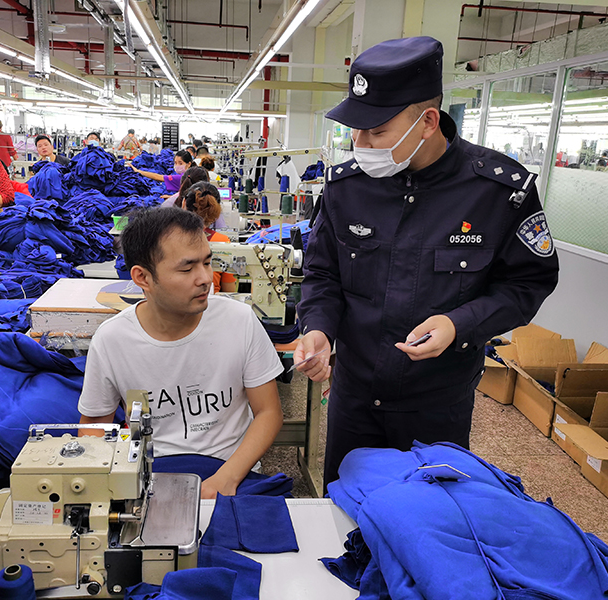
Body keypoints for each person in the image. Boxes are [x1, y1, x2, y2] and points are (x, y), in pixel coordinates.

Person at [294, 37, 560, 489]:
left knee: (431, 523)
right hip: (354, 398)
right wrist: (317, 328)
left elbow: (528, 283)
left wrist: (461, 323)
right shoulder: (347, 187)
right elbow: (323, 272)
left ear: (427, 121)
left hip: (437, 406)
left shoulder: (498, 192)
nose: (360, 143)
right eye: (355, 131)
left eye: (376, 131)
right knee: (345, 515)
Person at [78, 208, 283, 498]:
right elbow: (94, 430)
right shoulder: (112, 341)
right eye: (187, 269)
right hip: (151, 476)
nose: (205, 278)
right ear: (143, 277)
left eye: (207, 262)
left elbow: (269, 412)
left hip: (231, 472)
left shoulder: (239, 321)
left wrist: (226, 478)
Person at [181, 182, 237, 293]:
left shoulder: (169, 239)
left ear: (184, 203)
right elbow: (229, 291)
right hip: (212, 306)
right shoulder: (223, 242)